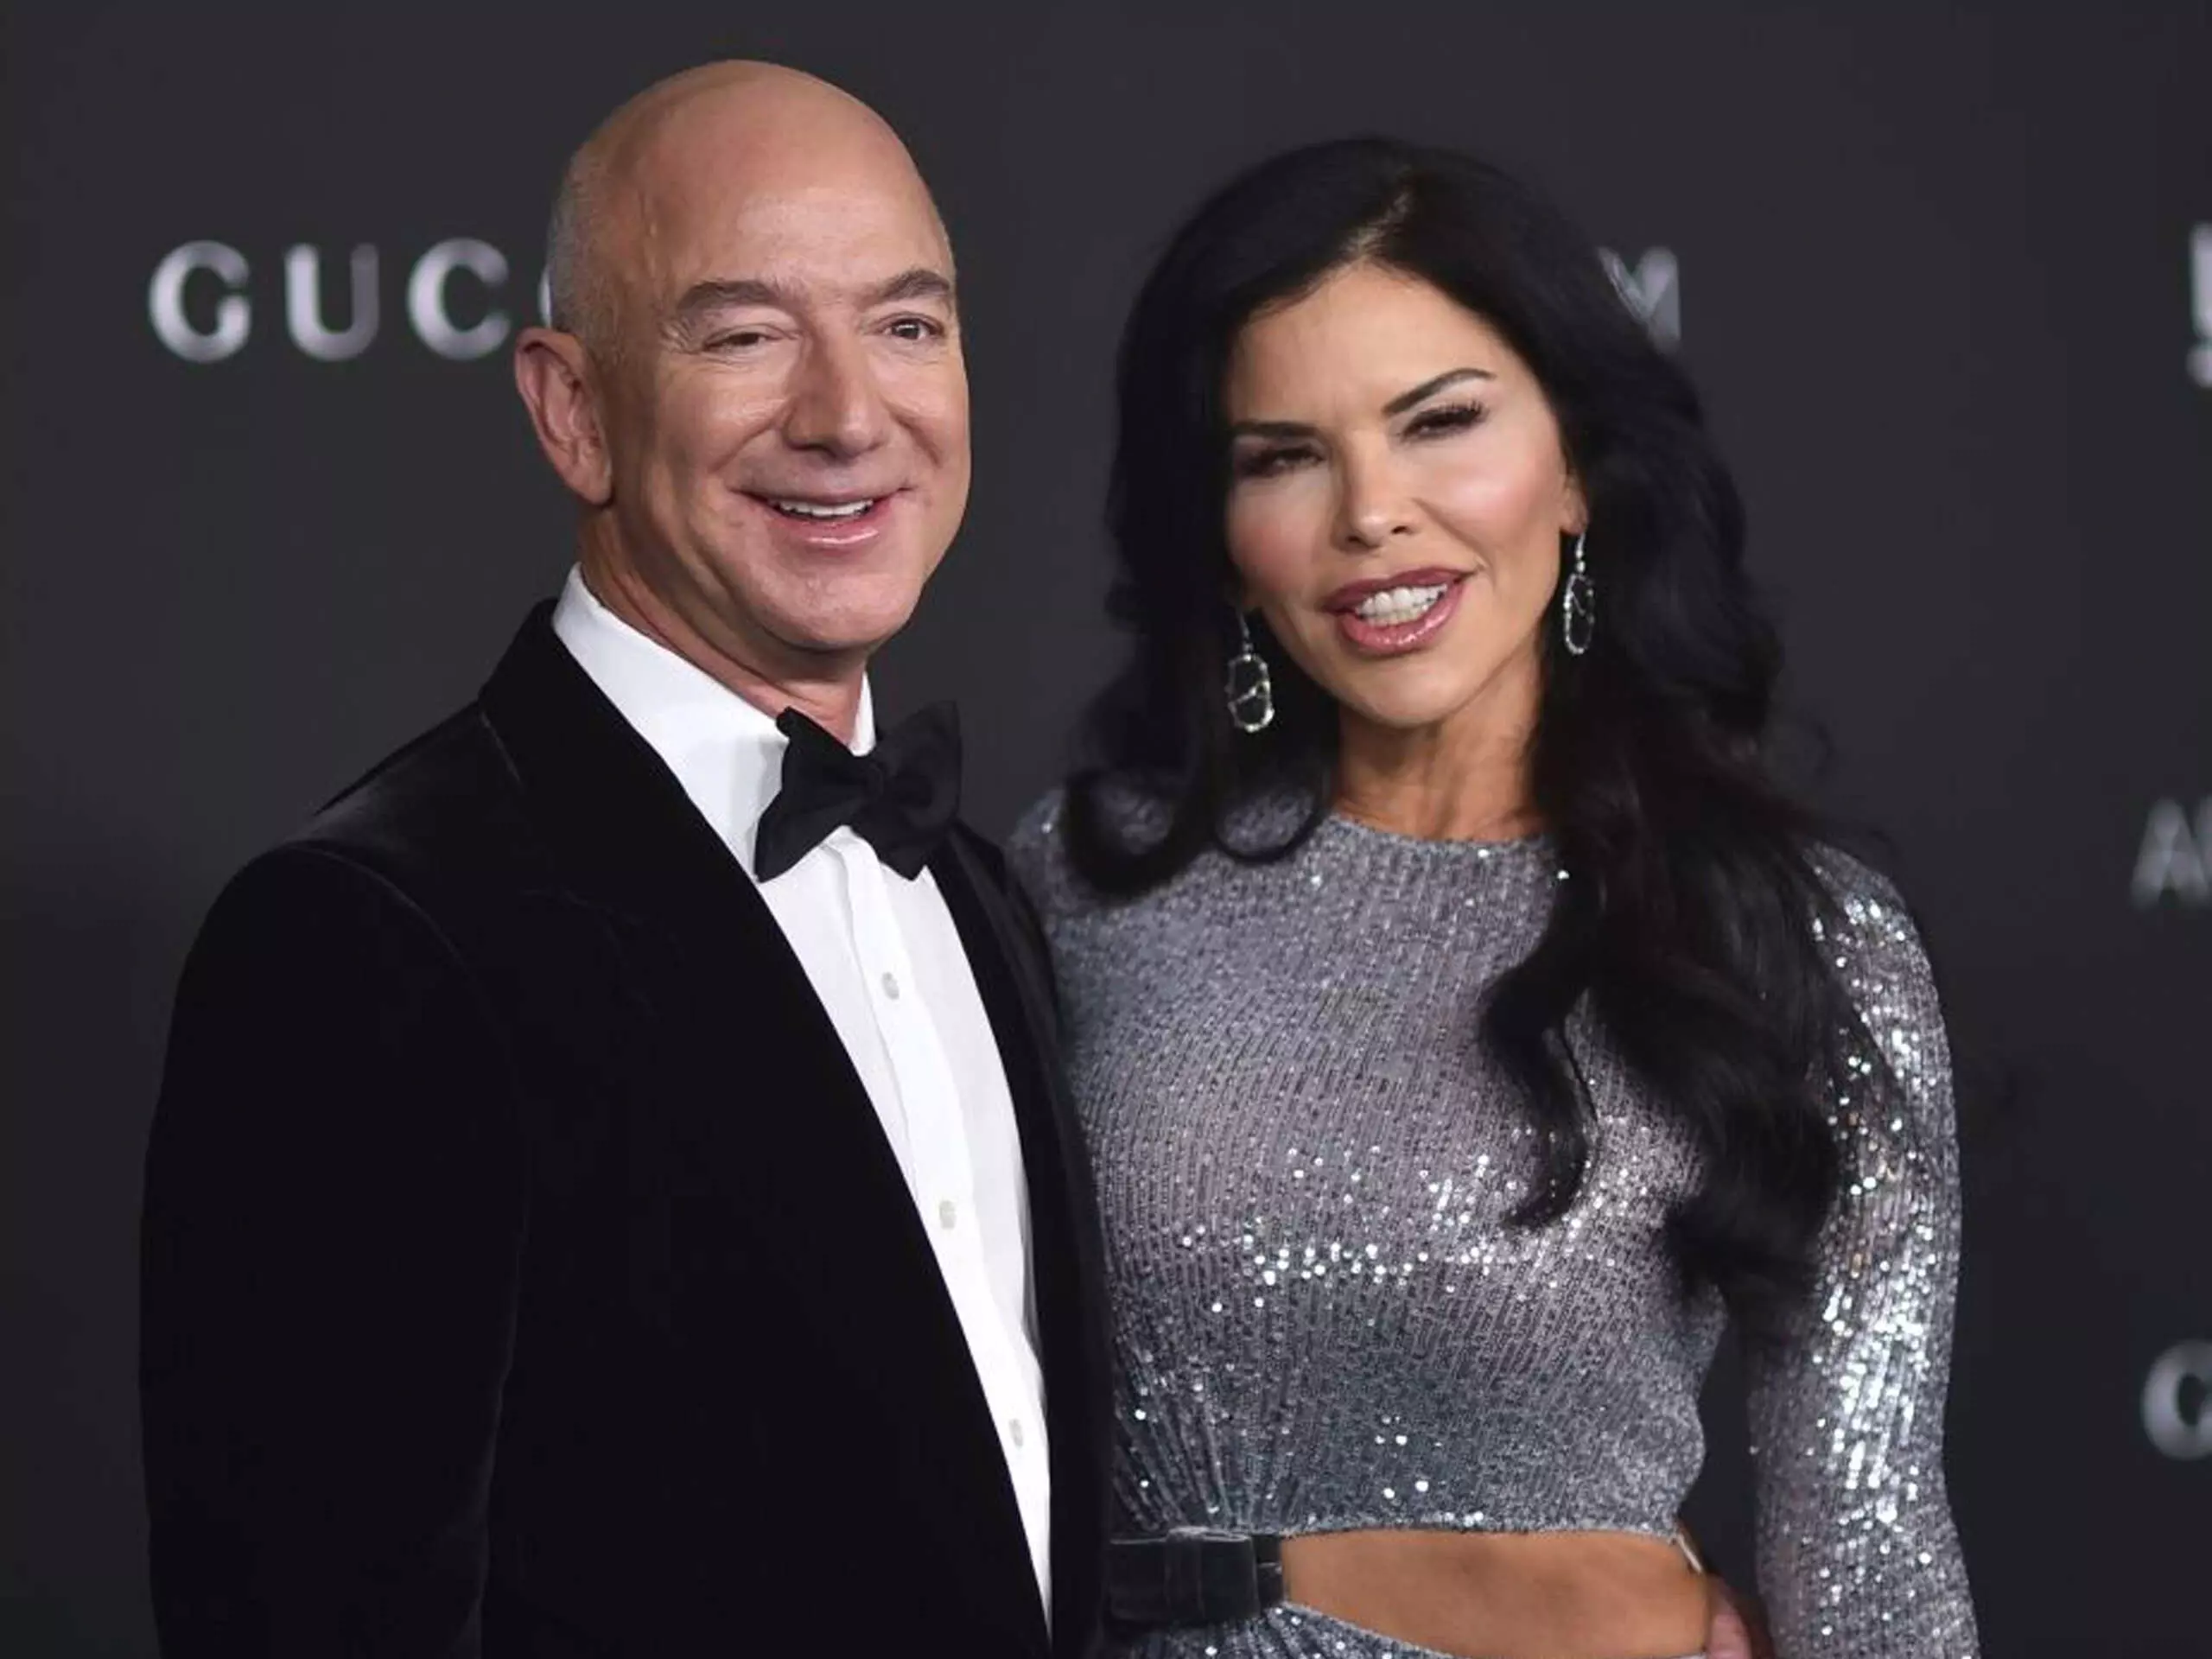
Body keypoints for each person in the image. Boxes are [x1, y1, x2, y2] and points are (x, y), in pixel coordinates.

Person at [138, 63, 1110, 1656]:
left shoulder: (980, 893)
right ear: (572, 410)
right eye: (744, 336)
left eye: (905, 324)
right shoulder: (369, 936)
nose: (848, 415)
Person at [1010, 138, 1978, 1659]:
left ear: (1577, 466)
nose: (1372, 514)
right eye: (1284, 456)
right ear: (1226, 543)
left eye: (1440, 422)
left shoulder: (1796, 937)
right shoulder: (1085, 879)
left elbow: (1865, 1548)